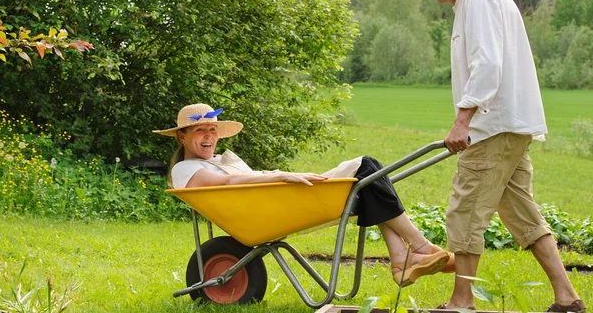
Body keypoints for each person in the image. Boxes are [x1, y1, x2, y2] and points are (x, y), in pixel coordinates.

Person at [410, 0, 586, 313]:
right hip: (509, 125)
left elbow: (487, 63)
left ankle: (462, 303)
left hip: (493, 127)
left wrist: (463, 119)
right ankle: (567, 296)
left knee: (466, 208)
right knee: (521, 212)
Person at [154, 103, 452, 287]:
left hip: (277, 202)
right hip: (272, 209)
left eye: (212, 130)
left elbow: (234, 178)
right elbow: (232, 181)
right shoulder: (186, 169)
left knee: (369, 183)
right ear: (182, 137)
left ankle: (402, 258)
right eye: (199, 131)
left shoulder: (211, 161)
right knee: (368, 167)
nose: (208, 136)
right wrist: (282, 175)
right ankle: (418, 248)